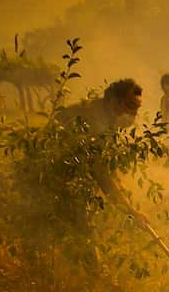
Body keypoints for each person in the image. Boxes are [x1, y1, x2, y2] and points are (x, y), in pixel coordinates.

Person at [56, 78, 147, 219]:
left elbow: (104, 165)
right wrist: (131, 211)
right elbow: (100, 172)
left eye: (136, 109)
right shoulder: (94, 120)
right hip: (53, 176)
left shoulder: (107, 118)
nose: (133, 114)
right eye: (129, 105)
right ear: (113, 101)